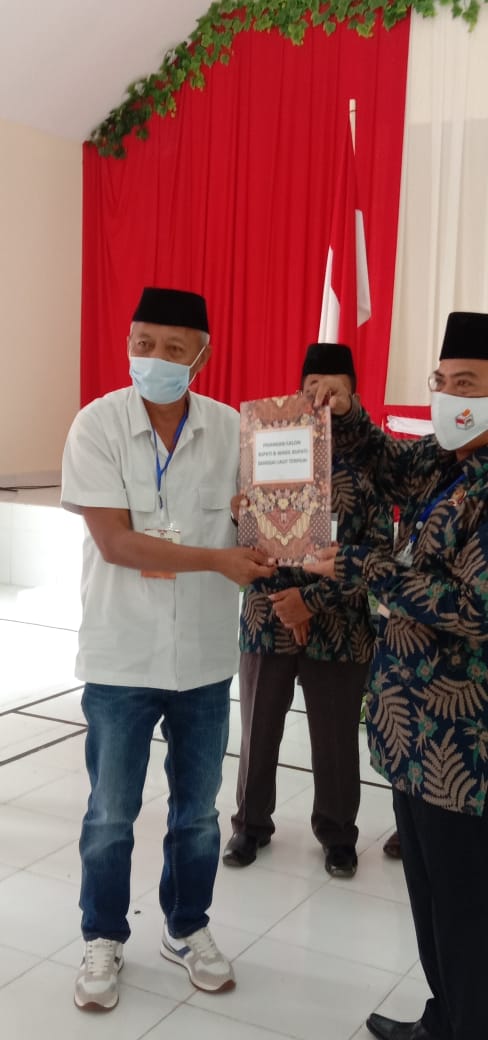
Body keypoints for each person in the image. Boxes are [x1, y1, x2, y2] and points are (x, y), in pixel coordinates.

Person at [61, 286, 275, 1010]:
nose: (153, 358)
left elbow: (260, 528)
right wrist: (219, 559)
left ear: (201, 357)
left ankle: (186, 926)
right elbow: (116, 543)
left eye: (173, 349)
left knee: (199, 814)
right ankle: (102, 935)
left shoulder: (232, 429)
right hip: (120, 655)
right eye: (143, 343)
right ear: (128, 341)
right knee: (110, 814)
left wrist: (264, 525)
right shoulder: (97, 425)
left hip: (204, 659)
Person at [305, 312, 488, 1040]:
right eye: (442, 381)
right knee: (433, 899)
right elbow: (386, 460)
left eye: (467, 384)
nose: (448, 397)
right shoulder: (446, 461)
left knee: (468, 911)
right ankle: (445, 1019)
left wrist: (365, 568)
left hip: (465, 746)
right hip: (414, 733)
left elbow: (475, 608)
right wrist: (348, 412)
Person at [223, 343, 392, 877]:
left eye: (333, 387)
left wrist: (310, 603)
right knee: (257, 729)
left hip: (339, 624)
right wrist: (284, 602)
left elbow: (376, 552)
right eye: (311, 386)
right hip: (268, 616)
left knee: (336, 738)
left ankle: (339, 835)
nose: (321, 396)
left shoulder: (371, 460)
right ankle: (250, 826)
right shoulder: (269, 446)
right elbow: (254, 537)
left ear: (352, 394)